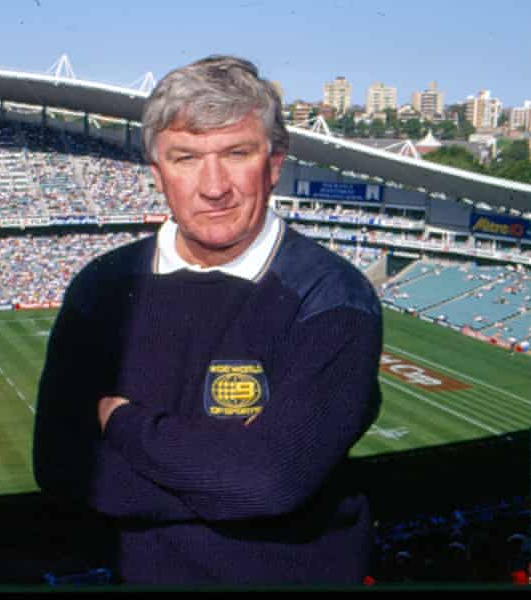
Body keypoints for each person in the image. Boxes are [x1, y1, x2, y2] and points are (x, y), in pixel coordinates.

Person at [32, 55, 383, 586]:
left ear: (274, 163)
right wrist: (226, 469)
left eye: (236, 153)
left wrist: (122, 423)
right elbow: (60, 468)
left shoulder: (333, 298)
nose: (213, 186)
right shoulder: (101, 289)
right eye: (186, 158)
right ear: (157, 173)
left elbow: (267, 483)